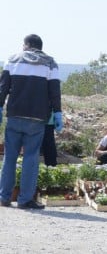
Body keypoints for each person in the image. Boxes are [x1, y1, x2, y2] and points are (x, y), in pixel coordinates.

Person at [0, 34, 63, 209]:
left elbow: (3, 86)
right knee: (30, 158)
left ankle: (4, 198)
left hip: (14, 115)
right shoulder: (50, 63)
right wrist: (58, 113)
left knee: (9, 157)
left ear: (26, 45)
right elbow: (54, 91)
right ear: (40, 47)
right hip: (37, 118)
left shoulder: (12, 60)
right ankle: (25, 199)